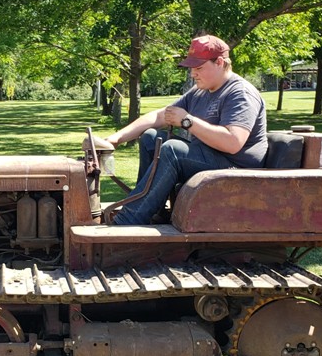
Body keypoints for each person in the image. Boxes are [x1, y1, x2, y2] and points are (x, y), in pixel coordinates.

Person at [104, 34, 267, 225]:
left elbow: (233, 143)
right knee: (150, 137)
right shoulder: (200, 91)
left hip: (238, 172)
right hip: (213, 160)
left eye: (199, 68)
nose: (193, 74)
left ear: (220, 62)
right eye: (191, 69)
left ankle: (128, 220)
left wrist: (187, 121)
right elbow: (159, 116)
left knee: (173, 150)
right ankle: (149, 211)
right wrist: (115, 139)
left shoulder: (240, 93)